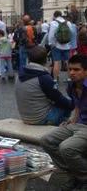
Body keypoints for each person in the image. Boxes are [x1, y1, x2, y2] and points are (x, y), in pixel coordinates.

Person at [41, 54, 87, 190]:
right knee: (46, 140)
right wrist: (71, 120)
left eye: (77, 69)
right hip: (78, 124)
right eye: (70, 69)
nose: (72, 72)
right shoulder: (71, 86)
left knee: (67, 148)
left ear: (86, 71)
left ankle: (83, 177)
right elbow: (78, 106)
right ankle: (75, 173)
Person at [15, 46, 74, 125]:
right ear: (45, 60)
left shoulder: (20, 75)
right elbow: (59, 99)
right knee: (68, 101)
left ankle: (63, 122)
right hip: (41, 119)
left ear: (29, 59)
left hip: (25, 117)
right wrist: (76, 104)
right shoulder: (43, 77)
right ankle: (63, 124)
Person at [48, 11, 74, 81]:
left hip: (57, 46)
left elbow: (51, 36)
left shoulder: (53, 23)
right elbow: (71, 33)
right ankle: (69, 78)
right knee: (68, 62)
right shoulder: (68, 23)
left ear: (55, 16)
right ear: (61, 15)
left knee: (56, 63)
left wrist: (51, 44)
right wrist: (69, 43)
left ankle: (55, 80)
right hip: (67, 46)